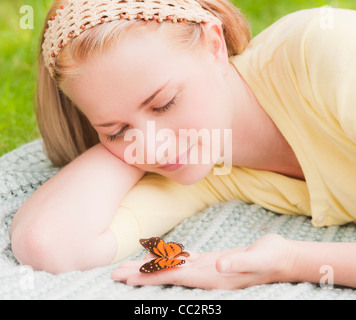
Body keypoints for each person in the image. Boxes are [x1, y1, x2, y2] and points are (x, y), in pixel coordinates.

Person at [10, 0, 356, 290]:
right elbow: (47, 244)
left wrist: (290, 262)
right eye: (115, 130)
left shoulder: (327, 51)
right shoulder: (198, 170)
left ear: (215, 47)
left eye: (164, 104)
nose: (155, 150)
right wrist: (113, 143)